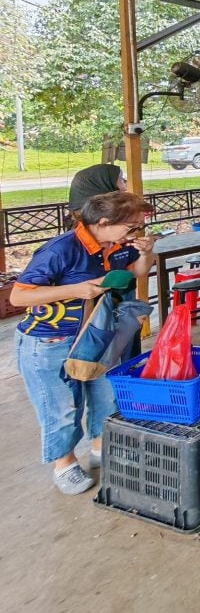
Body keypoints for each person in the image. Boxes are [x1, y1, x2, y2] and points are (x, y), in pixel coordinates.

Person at [12, 191, 156, 495]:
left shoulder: (117, 246)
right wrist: (77, 289)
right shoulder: (61, 250)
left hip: (98, 334)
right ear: (103, 222)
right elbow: (19, 296)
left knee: (105, 395)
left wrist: (145, 253)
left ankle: (101, 446)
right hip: (52, 340)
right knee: (62, 407)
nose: (135, 233)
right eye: (131, 227)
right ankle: (63, 463)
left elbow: (135, 275)